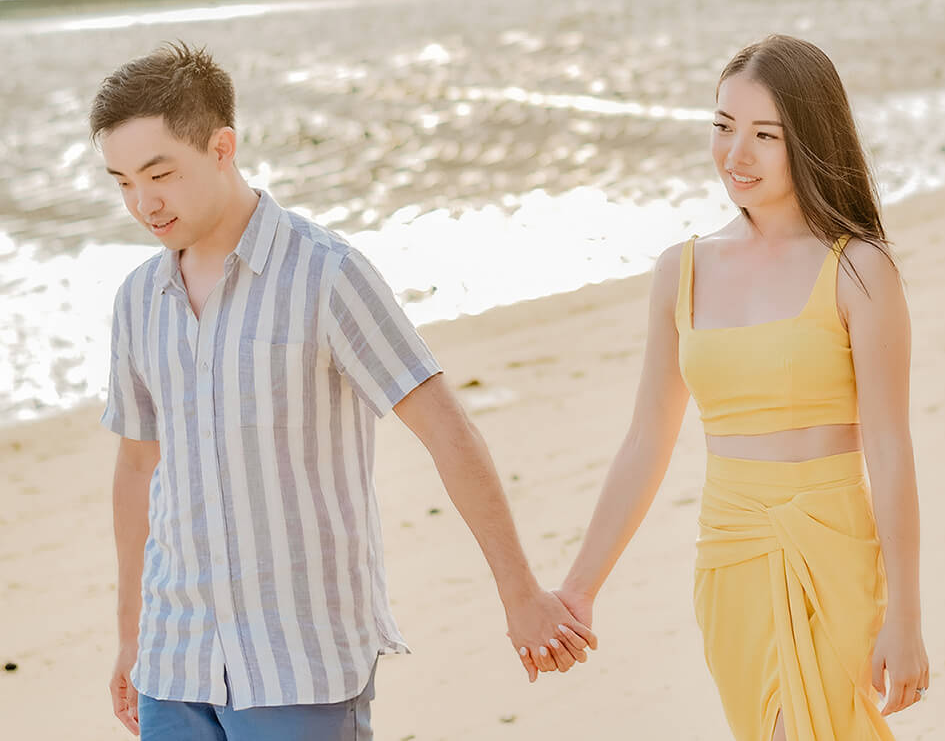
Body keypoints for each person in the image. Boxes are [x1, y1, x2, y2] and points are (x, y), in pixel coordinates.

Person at [93, 41, 591, 740]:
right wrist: (130, 636)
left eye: (159, 173)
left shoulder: (326, 275)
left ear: (221, 147)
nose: (143, 202)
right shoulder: (138, 299)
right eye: (121, 182)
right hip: (175, 660)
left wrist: (520, 592)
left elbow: (447, 429)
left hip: (298, 662)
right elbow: (139, 468)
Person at [553, 34, 929, 739]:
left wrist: (906, 616)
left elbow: (889, 447)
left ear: (811, 141)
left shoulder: (859, 270)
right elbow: (646, 440)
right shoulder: (681, 269)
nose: (736, 156)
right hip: (731, 555)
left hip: (832, 550)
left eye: (764, 136)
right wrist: (579, 589)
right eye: (723, 128)